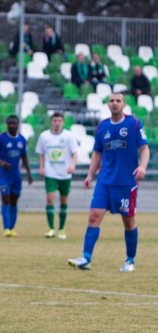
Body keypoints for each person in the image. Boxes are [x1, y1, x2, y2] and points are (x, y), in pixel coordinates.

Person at [69, 93, 149, 272]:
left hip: (127, 183)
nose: (115, 103)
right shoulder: (102, 126)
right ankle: (86, 257)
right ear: (108, 104)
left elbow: (144, 148)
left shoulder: (134, 123)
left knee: (128, 222)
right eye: (112, 101)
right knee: (93, 216)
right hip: (104, 181)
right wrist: (90, 175)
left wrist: (142, 167)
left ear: (124, 104)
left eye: (118, 101)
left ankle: (130, 260)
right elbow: (97, 153)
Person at [0, 116, 33, 236]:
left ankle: (12, 229)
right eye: (10, 123)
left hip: (16, 175)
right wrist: (2, 162)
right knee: (6, 199)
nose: (12, 125)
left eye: (14, 123)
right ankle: (6, 228)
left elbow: (24, 157)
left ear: (18, 124)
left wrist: (29, 173)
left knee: (14, 200)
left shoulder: (22, 139)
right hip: (3, 175)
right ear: (7, 124)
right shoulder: (1, 138)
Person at [36, 112, 78, 239]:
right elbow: (41, 153)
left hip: (65, 173)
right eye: (55, 120)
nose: (57, 123)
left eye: (59, 120)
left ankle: (61, 228)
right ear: (51, 122)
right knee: (50, 198)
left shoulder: (69, 136)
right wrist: (41, 168)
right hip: (51, 173)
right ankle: (51, 228)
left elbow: (75, 153)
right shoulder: (44, 136)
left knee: (64, 201)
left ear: (63, 122)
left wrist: (72, 166)